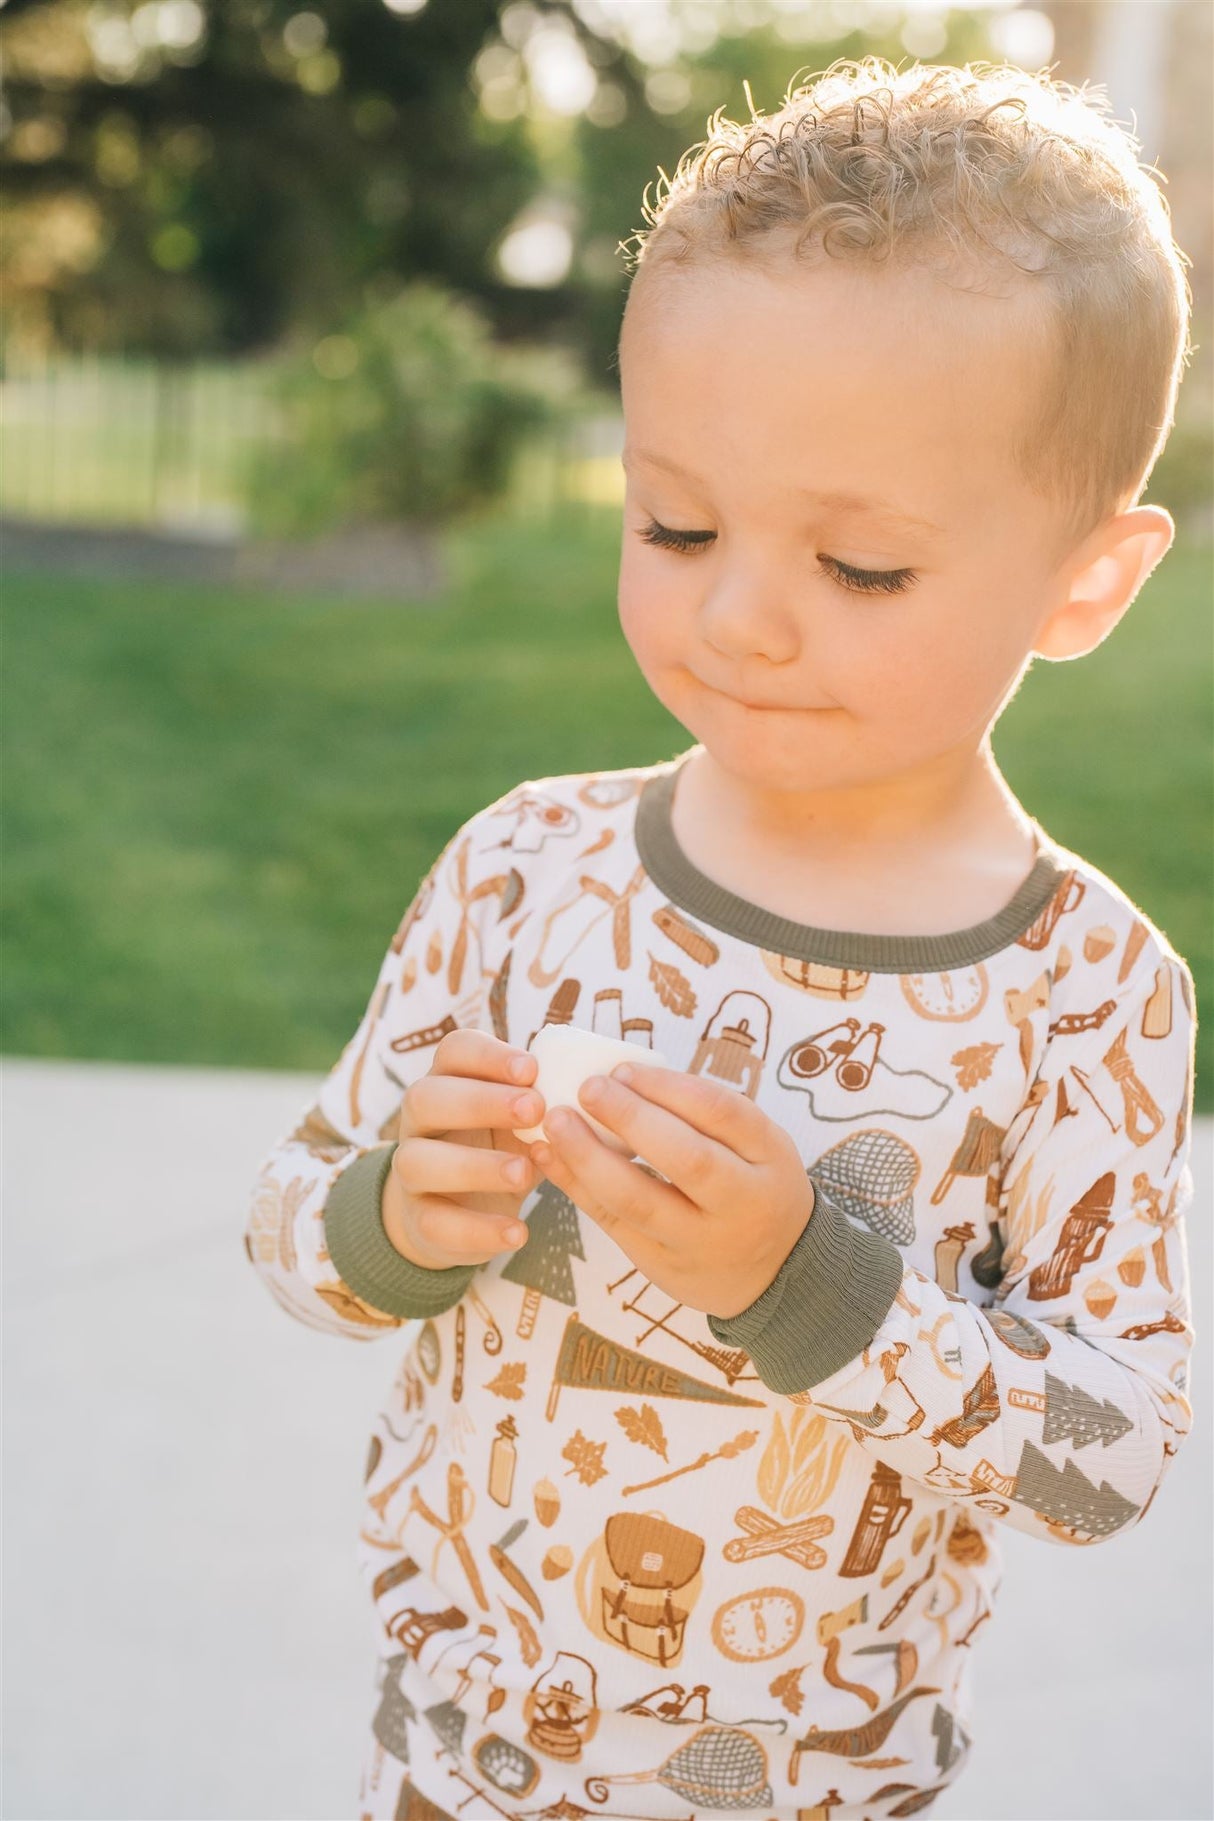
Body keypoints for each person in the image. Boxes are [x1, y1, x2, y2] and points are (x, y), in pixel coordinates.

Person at [245, 57, 1198, 1821]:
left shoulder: (1082, 992)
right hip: (458, 1759)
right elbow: (291, 1232)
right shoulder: (526, 869)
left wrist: (800, 1276)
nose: (740, 616)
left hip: (813, 1788)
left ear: (1085, 581)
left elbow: (1106, 1460)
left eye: (861, 567)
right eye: (675, 523)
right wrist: (395, 1212)